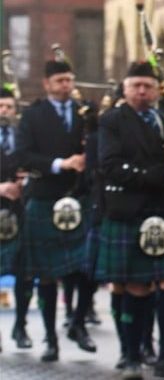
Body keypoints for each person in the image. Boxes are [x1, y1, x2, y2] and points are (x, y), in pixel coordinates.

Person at [95, 61, 164, 379]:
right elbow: (110, 166)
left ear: (157, 88)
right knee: (137, 286)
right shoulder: (112, 121)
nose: (142, 91)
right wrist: (159, 176)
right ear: (125, 88)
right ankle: (131, 356)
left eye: (148, 85)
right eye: (136, 85)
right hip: (132, 210)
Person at [14, 57, 97, 362]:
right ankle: (51, 338)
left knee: (88, 265)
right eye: (60, 81)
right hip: (46, 197)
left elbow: (100, 145)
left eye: (69, 79)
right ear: (47, 84)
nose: (66, 85)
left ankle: (77, 323)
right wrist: (60, 164)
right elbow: (22, 155)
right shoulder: (33, 115)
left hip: (80, 197)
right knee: (46, 275)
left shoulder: (85, 112)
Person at [0, 85, 31, 352]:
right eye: (0, 106)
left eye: (8, 106)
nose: (4, 111)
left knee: (24, 273)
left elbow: (36, 164)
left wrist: (27, 182)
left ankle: (20, 326)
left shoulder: (25, 137)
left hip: (23, 212)